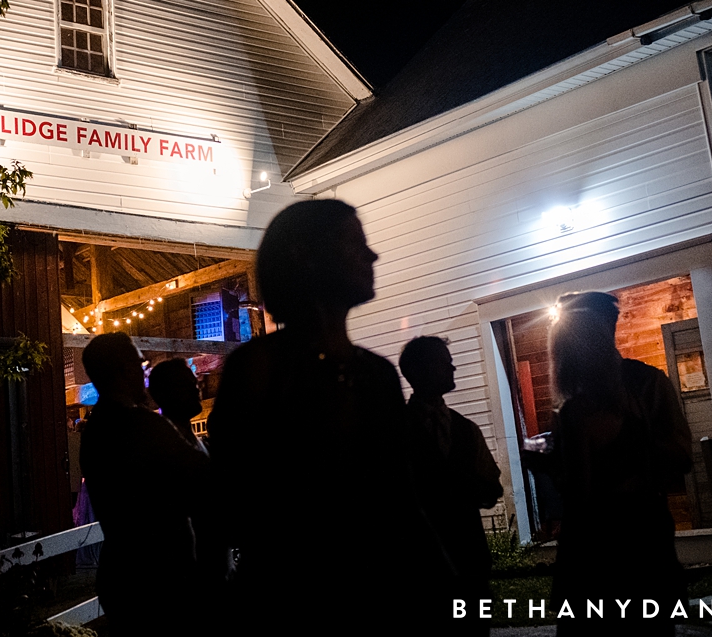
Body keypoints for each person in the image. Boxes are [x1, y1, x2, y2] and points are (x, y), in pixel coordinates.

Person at [207, 199, 447, 632]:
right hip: (287, 603)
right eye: (354, 243)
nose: (371, 255)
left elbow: (401, 500)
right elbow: (223, 503)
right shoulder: (259, 369)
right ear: (306, 256)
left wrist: (444, 585)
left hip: (375, 597)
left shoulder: (377, 374)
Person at [547, 291, 691, 635]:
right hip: (627, 538)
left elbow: (680, 457)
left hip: (621, 538)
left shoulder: (645, 385)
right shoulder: (573, 402)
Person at [79, 333, 208, 636]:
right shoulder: (142, 425)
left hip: (121, 573)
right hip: (163, 578)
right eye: (140, 364)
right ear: (125, 369)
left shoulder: (94, 432)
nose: (144, 372)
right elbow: (203, 483)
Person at [400, 335, 503, 636]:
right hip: (421, 568)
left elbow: (492, 489)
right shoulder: (396, 431)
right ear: (418, 371)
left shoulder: (466, 429)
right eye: (443, 362)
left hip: (469, 561)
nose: (453, 367)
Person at [149, 358, 207, 453]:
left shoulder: (191, 439)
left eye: (194, 383)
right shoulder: (164, 446)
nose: (196, 390)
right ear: (163, 394)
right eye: (186, 385)